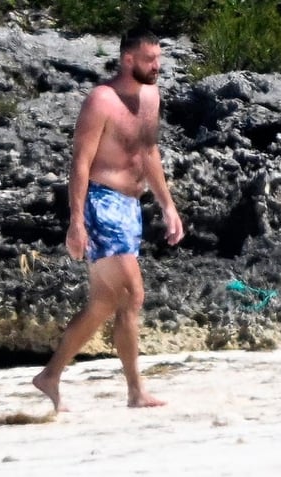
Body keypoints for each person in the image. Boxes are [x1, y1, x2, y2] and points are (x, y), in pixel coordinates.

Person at [33, 28, 184, 411]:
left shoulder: (151, 96)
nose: (157, 65)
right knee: (133, 294)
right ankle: (136, 391)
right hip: (101, 202)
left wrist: (167, 206)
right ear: (128, 60)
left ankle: (49, 376)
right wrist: (76, 221)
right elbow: (80, 163)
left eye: (159, 58)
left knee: (103, 303)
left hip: (131, 207)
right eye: (150, 59)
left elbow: (148, 152)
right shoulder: (101, 100)